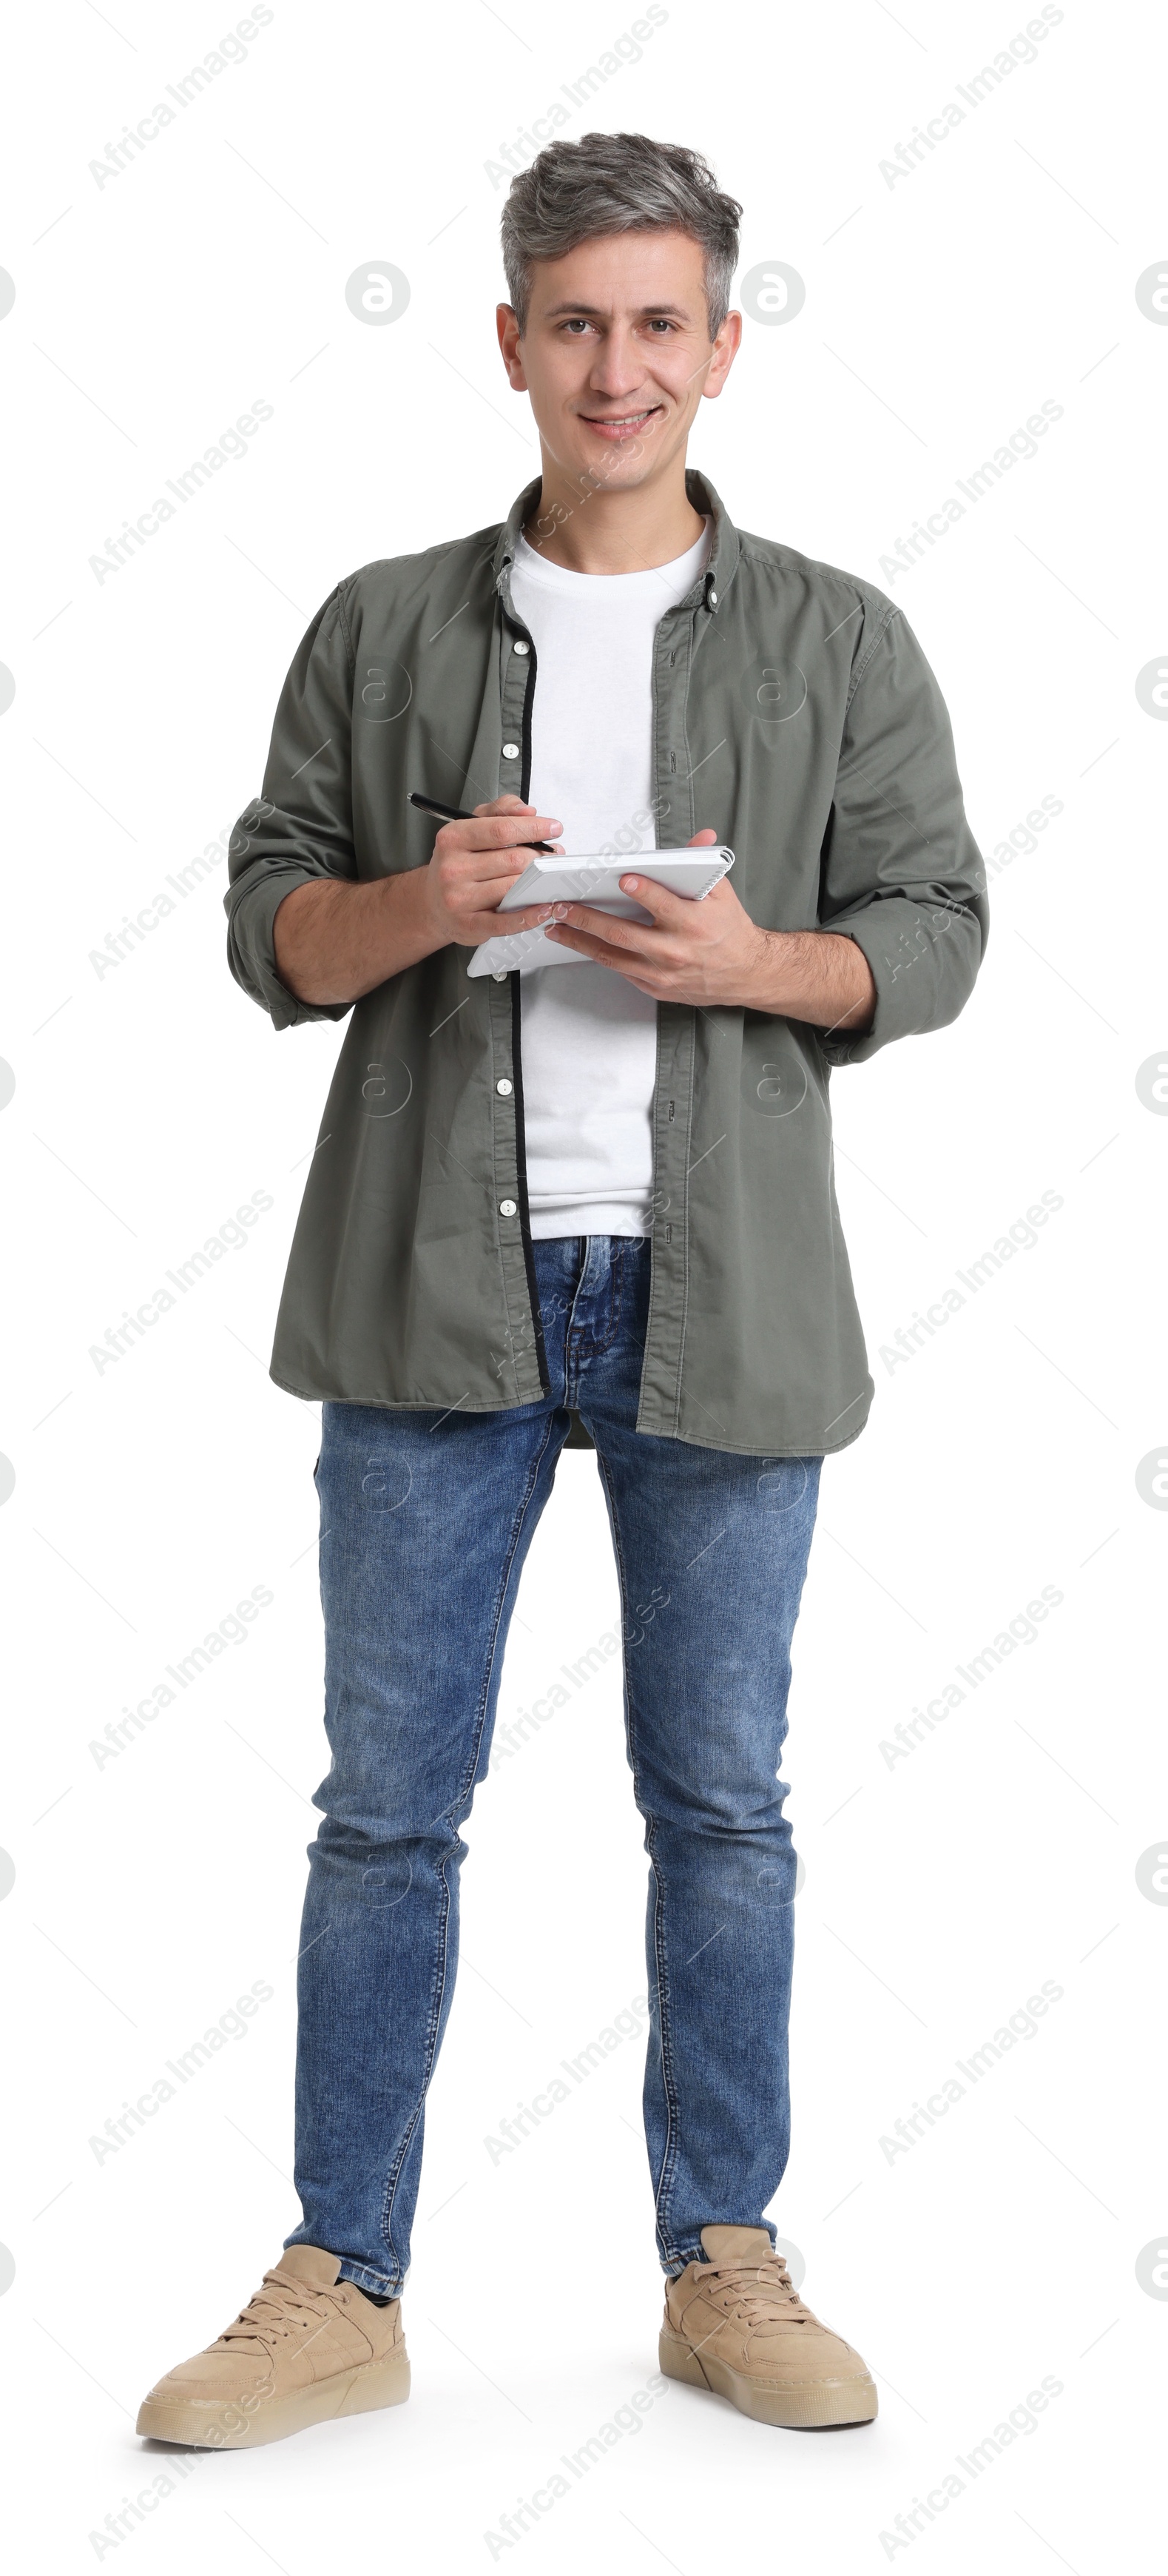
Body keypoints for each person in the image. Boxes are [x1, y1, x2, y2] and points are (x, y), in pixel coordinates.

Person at [137, 131, 986, 2450]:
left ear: (723, 341)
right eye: (574, 322)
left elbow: (936, 929)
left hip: (728, 1297)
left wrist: (759, 963)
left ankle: (724, 2258)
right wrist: (420, 899)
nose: (617, 365)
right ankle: (342, 2279)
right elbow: (269, 933)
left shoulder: (839, 638)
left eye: (658, 321)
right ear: (511, 343)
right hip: (434, 1297)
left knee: (724, 1802)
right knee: (385, 1809)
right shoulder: (384, 625)